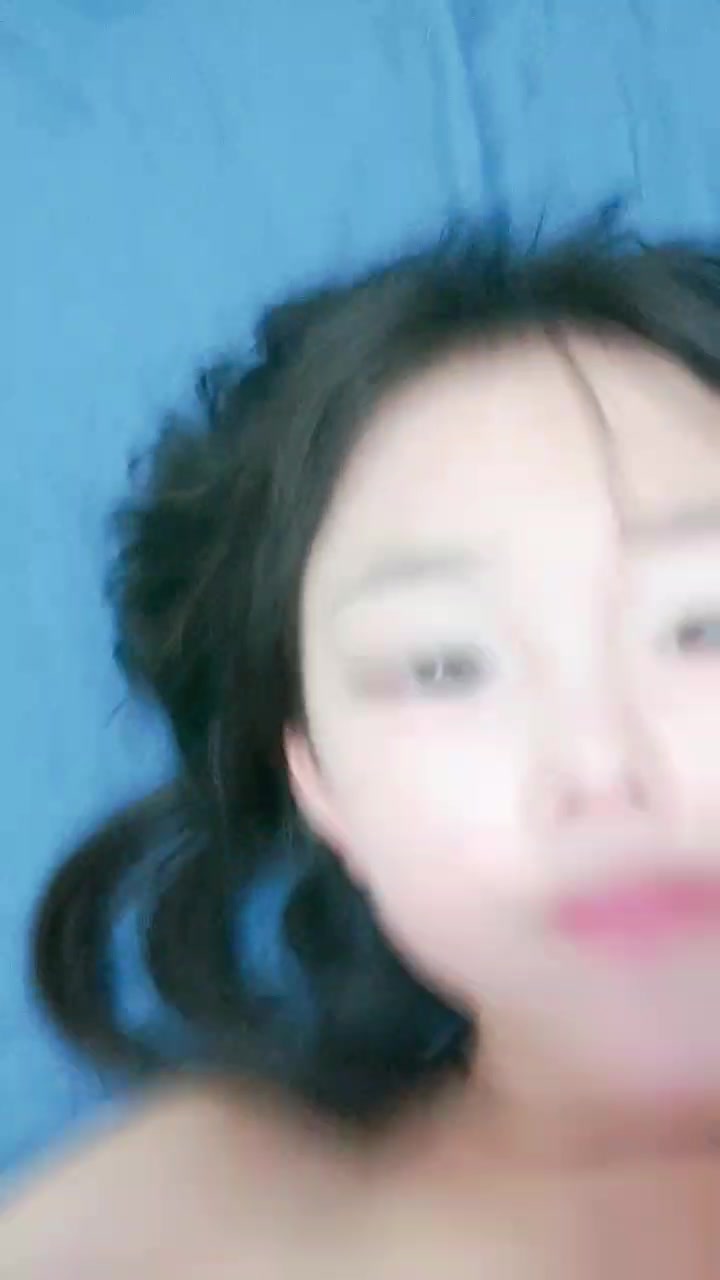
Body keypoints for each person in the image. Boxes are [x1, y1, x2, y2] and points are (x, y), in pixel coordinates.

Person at [4, 215, 720, 1275]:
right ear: (318, 781)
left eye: (704, 627)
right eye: (443, 666)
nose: (600, 768)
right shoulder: (179, 1219)